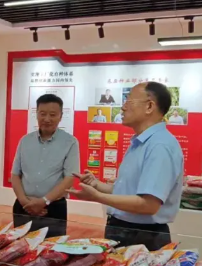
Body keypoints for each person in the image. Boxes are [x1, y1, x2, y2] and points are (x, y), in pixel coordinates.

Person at [69, 82, 183, 251]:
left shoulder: (160, 145)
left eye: (128, 101)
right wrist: (97, 185)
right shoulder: (140, 142)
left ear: (149, 106)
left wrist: (97, 197)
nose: (122, 108)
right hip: (124, 229)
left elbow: (148, 205)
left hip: (143, 236)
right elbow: (128, 191)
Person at [10, 94, 79, 237]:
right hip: (23, 206)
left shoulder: (70, 142)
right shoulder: (25, 141)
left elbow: (69, 178)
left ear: (61, 116)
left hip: (53, 207)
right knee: (19, 246)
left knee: (51, 247)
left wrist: (44, 201)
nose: (47, 119)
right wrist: (24, 201)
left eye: (52, 114)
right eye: (42, 114)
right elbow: (15, 174)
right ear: (36, 114)